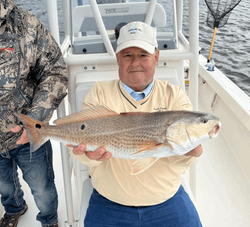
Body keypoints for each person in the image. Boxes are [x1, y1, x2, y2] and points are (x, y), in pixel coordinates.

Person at [70, 21, 203, 227]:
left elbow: (180, 161)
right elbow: (80, 151)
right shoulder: (100, 93)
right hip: (109, 200)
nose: (135, 63)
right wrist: (90, 157)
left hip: (167, 200)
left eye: (143, 55)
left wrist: (189, 154)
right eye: (127, 55)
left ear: (156, 57)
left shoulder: (174, 95)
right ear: (117, 59)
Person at [0, 0, 68, 227]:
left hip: (27, 137)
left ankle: (49, 220)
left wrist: (35, 122)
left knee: (43, 188)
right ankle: (15, 208)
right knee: (5, 187)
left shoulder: (24, 23)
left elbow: (55, 71)